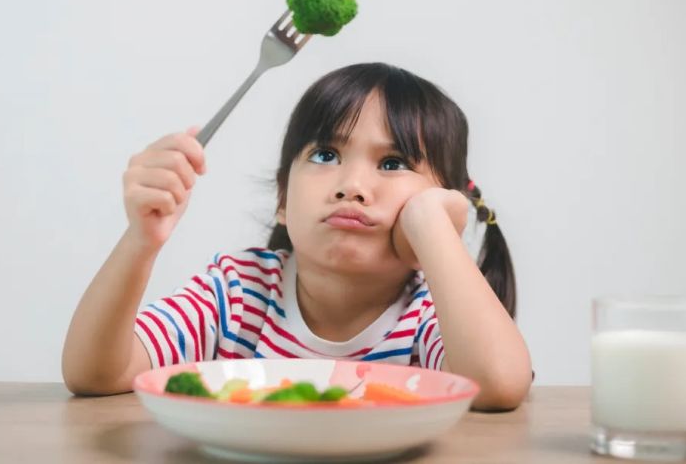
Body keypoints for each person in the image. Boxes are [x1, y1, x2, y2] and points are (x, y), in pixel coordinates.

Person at [62, 62, 532, 410]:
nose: (352, 185)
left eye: (393, 164)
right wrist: (141, 242)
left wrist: (433, 228)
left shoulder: (430, 314)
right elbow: (96, 373)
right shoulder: (237, 293)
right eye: (326, 155)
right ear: (283, 198)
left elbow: (498, 385)